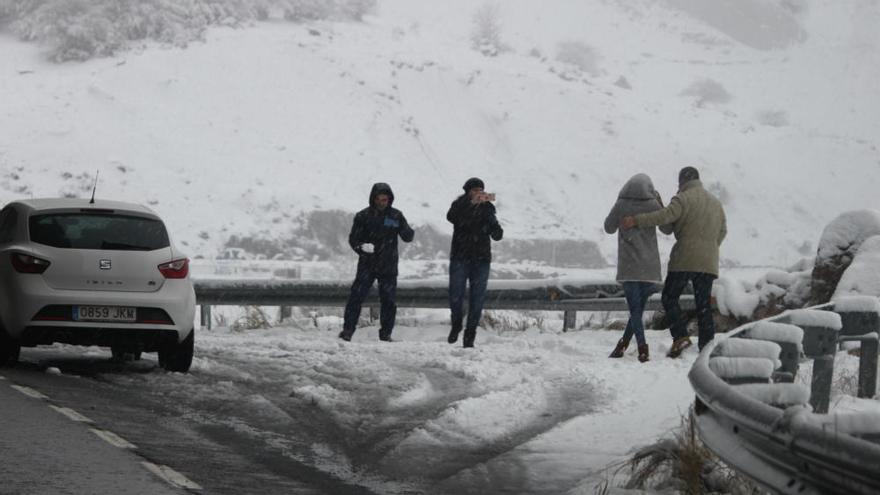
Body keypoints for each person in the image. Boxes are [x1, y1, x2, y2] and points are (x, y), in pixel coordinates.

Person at [622, 166, 727, 357]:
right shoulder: (715, 203)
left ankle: (680, 337)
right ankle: (707, 346)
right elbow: (723, 231)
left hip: (685, 260)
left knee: (669, 298)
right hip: (708, 262)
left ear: (682, 182)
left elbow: (664, 219)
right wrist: (709, 248)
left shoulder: (682, 199)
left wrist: (636, 220)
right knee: (703, 305)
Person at [604, 174, 672, 362]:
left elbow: (608, 228)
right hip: (649, 268)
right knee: (637, 309)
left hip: (629, 267)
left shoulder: (621, 205)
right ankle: (623, 345)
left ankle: (642, 348)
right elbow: (667, 228)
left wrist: (619, 207)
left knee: (635, 310)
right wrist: (660, 202)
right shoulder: (653, 205)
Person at [339, 182, 414, 342]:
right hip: (368, 264)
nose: (382, 202)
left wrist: (406, 229)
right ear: (373, 199)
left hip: (388, 266)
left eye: (385, 200)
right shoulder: (363, 216)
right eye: (379, 199)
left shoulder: (396, 215)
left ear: (390, 200)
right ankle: (347, 331)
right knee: (356, 297)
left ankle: (386, 334)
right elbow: (353, 239)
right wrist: (361, 248)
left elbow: (408, 237)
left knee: (388, 301)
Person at [447, 177, 503, 348]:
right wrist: (470, 204)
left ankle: (470, 334)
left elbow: (497, 234)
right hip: (460, 257)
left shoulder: (488, 209)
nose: (478, 193)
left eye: (481, 190)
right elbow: (452, 217)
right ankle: (456, 324)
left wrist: (492, 223)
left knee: (477, 299)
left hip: (481, 259)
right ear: (468, 191)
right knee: (455, 295)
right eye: (474, 190)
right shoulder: (459, 205)